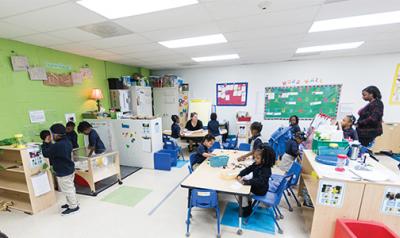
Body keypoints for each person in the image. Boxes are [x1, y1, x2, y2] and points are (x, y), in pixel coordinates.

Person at [41, 123, 79, 215]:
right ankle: (72, 202)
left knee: (67, 189)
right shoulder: (67, 141)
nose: (51, 136)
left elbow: (46, 153)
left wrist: (46, 143)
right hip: (69, 168)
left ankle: (73, 206)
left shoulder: (58, 145)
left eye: (52, 134)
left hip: (63, 171)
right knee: (70, 187)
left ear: (57, 135)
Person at [237, 143, 276, 217]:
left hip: (260, 190)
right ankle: (248, 203)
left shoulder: (266, 170)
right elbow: (249, 169)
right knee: (243, 188)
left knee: (241, 192)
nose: (255, 160)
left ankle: (246, 210)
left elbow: (259, 181)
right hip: (256, 186)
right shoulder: (258, 163)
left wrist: (247, 182)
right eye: (255, 157)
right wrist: (240, 174)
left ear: (264, 159)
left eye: (257, 158)